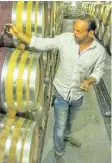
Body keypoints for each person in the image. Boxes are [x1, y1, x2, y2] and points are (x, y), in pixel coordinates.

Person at [7, 14, 106, 162]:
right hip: (60, 92)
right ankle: (59, 152)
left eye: (79, 31)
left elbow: (98, 71)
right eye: (74, 29)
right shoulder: (66, 39)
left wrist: (90, 80)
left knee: (70, 122)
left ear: (90, 33)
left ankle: (67, 136)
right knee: (59, 126)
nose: (74, 33)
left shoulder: (99, 51)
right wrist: (18, 34)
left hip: (78, 95)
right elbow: (42, 43)